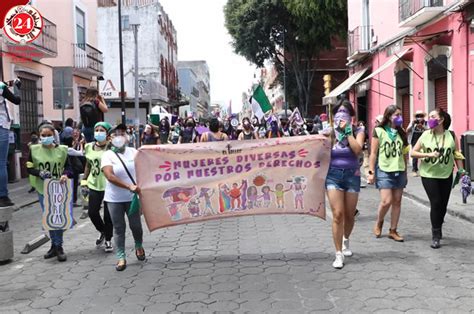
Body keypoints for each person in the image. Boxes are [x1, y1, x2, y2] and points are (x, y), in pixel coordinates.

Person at [411, 108, 465, 249]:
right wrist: (428, 155)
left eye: (433, 116)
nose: (430, 119)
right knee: (435, 202)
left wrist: (461, 171)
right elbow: (413, 152)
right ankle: (436, 234)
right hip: (429, 174)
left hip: (446, 174)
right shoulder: (425, 135)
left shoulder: (451, 135)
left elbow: (457, 154)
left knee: (443, 205)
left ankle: (438, 224)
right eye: (429, 117)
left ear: (441, 120)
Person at [324, 100, 365, 269]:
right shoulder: (329, 133)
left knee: (349, 215)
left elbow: (358, 150)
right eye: (338, 112)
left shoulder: (358, 131)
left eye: (345, 112)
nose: (341, 115)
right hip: (333, 176)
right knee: (338, 214)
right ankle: (338, 253)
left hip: (352, 176)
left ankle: (345, 239)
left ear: (351, 116)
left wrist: (347, 132)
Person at [101, 124, 145, 271]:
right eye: (115, 134)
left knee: (136, 226)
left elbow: (147, 166)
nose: (119, 136)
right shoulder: (107, 155)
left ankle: (138, 245)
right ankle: (121, 256)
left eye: (122, 133)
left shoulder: (134, 152)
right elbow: (109, 176)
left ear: (127, 137)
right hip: (114, 198)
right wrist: (128, 186)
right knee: (119, 228)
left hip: (133, 198)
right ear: (110, 138)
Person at [26, 123, 71, 261]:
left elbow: (68, 167)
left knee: (57, 218)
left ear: (54, 135)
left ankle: (59, 246)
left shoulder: (62, 150)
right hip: (42, 188)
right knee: (49, 218)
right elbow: (29, 167)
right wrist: (39, 172)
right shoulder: (34, 150)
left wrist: (65, 174)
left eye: (48, 135)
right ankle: (54, 245)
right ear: (39, 137)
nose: (46, 138)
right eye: (43, 136)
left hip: (59, 188)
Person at [368, 105, 409, 243]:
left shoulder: (402, 133)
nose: (399, 118)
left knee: (397, 201)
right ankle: (379, 222)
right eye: (396, 115)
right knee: (386, 201)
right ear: (389, 116)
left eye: (400, 114)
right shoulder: (379, 131)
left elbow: (405, 153)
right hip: (384, 170)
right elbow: (373, 153)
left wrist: (406, 171)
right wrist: (371, 171)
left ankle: (393, 230)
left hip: (399, 170)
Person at [82, 122, 114, 252]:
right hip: (94, 184)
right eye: (97, 130)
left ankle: (108, 240)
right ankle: (103, 231)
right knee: (92, 212)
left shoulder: (112, 147)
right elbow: (88, 165)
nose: (99, 132)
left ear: (107, 134)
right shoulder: (88, 146)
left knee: (108, 215)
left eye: (102, 130)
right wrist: (84, 181)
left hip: (109, 185)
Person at [0, 79, 21, 207]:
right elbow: (16, 100)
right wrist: (18, 88)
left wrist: (9, 83)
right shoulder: (1, 87)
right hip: (1, 126)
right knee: (1, 163)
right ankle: (2, 196)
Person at [407, 110, 427, 177]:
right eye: (417, 116)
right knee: (415, 156)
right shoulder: (413, 122)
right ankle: (414, 170)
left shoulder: (426, 123)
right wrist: (412, 125)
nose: (419, 117)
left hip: (424, 140)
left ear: (423, 116)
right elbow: (407, 131)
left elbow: (430, 130)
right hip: (415, 139)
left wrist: (423, 127)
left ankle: (423, 169)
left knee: (424, 155)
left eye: (421, 116)